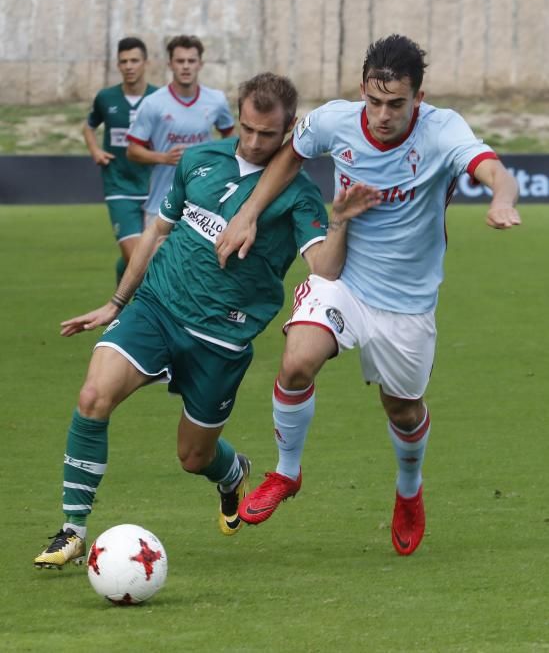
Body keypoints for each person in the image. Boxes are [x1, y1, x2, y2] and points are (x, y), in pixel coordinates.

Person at [33, 72, 381, 568]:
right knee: (93, 396)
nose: (256, 142)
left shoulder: (299, 196)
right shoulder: (200, 160)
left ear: (290, 131)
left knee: (193, 456)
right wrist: (116, 303)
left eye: (269, 134)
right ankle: (72, 529)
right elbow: (156, 233)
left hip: (221, 339)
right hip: (156, 308)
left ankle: (232, 472)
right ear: (237, 119)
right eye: (247, 129)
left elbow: (324, 270)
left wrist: (341, 220)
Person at [215, 35, 522, 556]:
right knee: (296, 362)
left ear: (417, 99)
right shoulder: (335, 121)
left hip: (407, 303)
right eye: (374, 101)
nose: (382, 115)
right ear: (362, 91)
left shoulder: (443, 131)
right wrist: (247, 214)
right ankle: (287, 473)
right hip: (345, 281)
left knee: (401, 410)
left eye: (396, 104)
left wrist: (502, 199)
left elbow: (495, 170)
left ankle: (409, 492)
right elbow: (292, 154)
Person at [127, 34, 235, 226]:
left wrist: (218, 161)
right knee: (154, 257)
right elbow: (132, 151)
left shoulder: (217, 100)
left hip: (204, 206)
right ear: (170, 64)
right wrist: (163, 158)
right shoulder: (153, 103)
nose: (186, 66)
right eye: (180, 61)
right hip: (161, 204)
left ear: (200, 64)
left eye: (191, 61)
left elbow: (230, 138)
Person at [83, 37, 158, 283]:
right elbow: (88, 126)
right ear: (118, 65)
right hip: (119, 187)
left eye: (134, 60)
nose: (129, 66)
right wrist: (95, 150)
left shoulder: (159, 98)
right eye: (123, 61)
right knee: (140, 261)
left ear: (146, 63)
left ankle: (121, 273)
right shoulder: (106, 98)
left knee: (141, 259)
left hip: (153, 188)